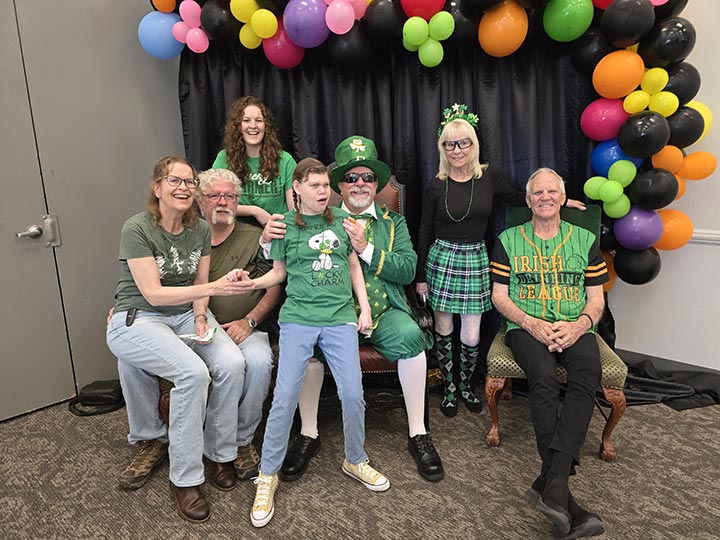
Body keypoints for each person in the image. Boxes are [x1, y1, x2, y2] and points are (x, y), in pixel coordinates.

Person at [261, 135, 444, 483]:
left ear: (377, 185)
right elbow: (282, 261)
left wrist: (366, 248)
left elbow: (408, 270)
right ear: (339, 186)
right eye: (351, 177)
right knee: (308, 348)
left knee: (411, 337)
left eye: (368, 177)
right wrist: (266, 238)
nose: (360, 183)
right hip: (331, 315)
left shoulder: (393, 222)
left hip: (384, 311)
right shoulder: (317, 218)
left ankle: (418, 432)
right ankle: (309, 433)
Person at [235, 157, 389, 529]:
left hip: (339, 317)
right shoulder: (283, 225)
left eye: (325, 186)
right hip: (298, 318)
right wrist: (250, 283)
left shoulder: (343, 220)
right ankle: (267, 473)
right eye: (315, 186)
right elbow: (278, 273)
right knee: (285, 395)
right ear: (297, 189)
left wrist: (364, 308)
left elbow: (353, 265)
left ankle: (355, 459)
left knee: (352, 393)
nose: (323, 192)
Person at [114, 167, 282, 494]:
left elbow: (273, 284)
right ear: (199, 201)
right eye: (213, 195)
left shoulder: (252, 237)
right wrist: (123, 306)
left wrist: (249, 321)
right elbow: (148, 281)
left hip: (235, 326)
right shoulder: (183, 230)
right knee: (131, 359)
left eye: (230, 196)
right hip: (182, 319)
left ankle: (237, 442)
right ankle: (151, 440)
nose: (222, 201)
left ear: (238, 201)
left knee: (257, 362)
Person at [416, 104, 585, 417]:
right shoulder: (435, 185)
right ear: (442, 148)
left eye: (463, 143)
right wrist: (421, 276)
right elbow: (425, 229)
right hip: (442, 259)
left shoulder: (489, 176)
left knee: (471, 334)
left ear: (473, 145)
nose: (456, 150)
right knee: (443, 327)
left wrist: (560, 201)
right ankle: (449, 388)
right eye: (449, 144)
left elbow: (522, 197)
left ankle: (466, 386)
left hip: (475, 258)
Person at [490, 168, 608, 539]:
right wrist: (530, 323)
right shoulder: (508, 240)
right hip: (525, 327)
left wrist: (580, 325)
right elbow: (499, 296)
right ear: (528, 201)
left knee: (587, 374)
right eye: (537, 193)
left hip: (575, 325)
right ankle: (559, 487)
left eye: (551, 191)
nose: (544, 197)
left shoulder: (585, 239)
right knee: (541, 376)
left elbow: (597, 299)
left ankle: (552, 482)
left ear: (562, 197)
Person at [212, 96, 296, 225]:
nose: (253, 126)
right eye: (246, 120)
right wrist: (254, 211)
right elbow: (215, 202)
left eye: (258, 120)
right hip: (237, 230)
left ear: (266, 126)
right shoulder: (223, 159)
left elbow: (294, 209)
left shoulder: (286, 160)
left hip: (278, 228)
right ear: (238, 126)